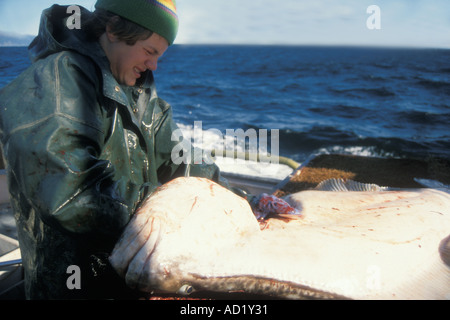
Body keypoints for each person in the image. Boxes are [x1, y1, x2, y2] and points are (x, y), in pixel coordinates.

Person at [0, 0, 298, 299]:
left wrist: (242, 204)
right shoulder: (59, 80)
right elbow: (69, 193)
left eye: (160, 55)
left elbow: (180, 160)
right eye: (150, 51)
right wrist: (168, 209)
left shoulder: (139, 91)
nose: (154, 65)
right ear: (113, 30)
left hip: (132, 270)